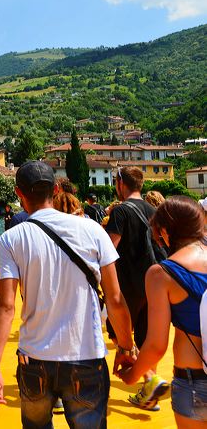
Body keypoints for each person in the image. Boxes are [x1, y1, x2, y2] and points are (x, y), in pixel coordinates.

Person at [0, 161, 136, 427]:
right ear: (55, 189)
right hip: (86, 355)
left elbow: (5, 306)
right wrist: (125, 346)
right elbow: (114, 298)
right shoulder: (92, 230)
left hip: (34, 359)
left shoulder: (11, 239)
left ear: (19, 194)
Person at [117, 196, 207, 426]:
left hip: (194, 378)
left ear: (165, 231)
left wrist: (134, 374)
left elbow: (157, 345)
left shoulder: (162, 274)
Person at [107, 166, 169, 410]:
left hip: (127, 286)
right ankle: (149, 389)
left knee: (118, 333)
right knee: (143, 338)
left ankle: (150, 378)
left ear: (121, 183)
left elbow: (108, 249)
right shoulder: (154, 210)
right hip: (153, 285)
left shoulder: (120, 211)